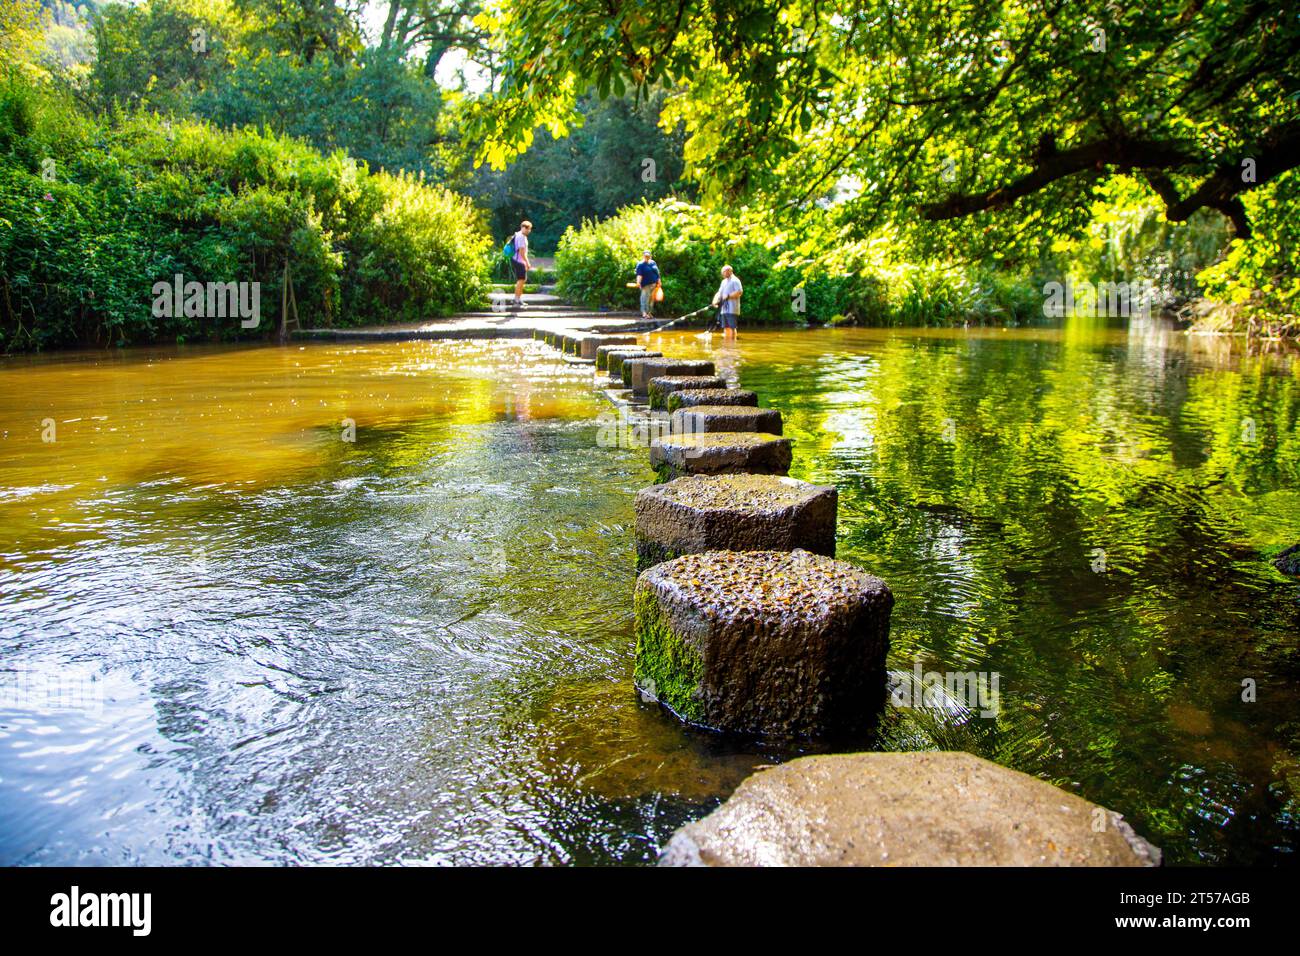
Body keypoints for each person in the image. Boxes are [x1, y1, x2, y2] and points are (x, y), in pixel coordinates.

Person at [712, 264, 743, 340]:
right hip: (724, 309)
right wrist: (715, 301)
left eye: (724, 272)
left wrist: (728, 296)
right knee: (725, 327)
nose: (722, 274)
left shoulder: (735, 280)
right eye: (722, 272)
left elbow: (739, 292)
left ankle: (732, 345)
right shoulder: (723, 282)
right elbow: (719, 292)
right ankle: (727, 344)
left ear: (729, 271)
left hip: (732, 309)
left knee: (732, 327)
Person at [510, 220, 532, 308]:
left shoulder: (518, 234)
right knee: (521, 280)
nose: (528, 230)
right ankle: (516, 299)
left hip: (516, 260)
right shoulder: (521, 237)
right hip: (519, 261)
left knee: (522, 279)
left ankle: (518, 298)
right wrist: (527, 263)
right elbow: (522, 252)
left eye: (529, 229)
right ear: (523, 227)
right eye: (527, 228)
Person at [634, 252, 661, 319]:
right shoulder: (640, 264)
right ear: (643, 256)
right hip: (645, 285)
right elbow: (639, 275)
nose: (647, 257)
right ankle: (644, 313)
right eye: (645, 256)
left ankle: (649, 313)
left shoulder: (653, 263)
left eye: (648, 256)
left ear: (650, 256)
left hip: (654, 284)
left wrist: (659, 281)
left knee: (651, 300)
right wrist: (638, 282)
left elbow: (657, 272)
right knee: (644, 298)